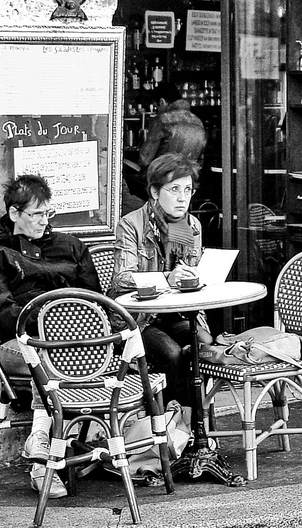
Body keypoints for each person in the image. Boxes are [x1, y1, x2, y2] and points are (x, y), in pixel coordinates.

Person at [0, 174, 101, 498]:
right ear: (15, 213)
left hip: (77, 341)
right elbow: (1, 313)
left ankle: (42, 453)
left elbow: (95, 299)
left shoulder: (71, 247)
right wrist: (49, 328)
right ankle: (45, 447)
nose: (44, 222)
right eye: (36, 215)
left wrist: (74, 328)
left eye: (48, 214)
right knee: (44, 350)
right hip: (17, 345)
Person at [114, 153, 210, 419]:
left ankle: (194, 427)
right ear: (155, 192)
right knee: (171, 353)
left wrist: (199, 276)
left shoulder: (190, 225)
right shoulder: (131, 224)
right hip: (140, 319)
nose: (183, 198)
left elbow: (194, 275)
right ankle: (171, 424)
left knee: (204, 345)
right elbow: (122, 278)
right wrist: (166, 279)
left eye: (188, 190)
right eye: (175, 189)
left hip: (178, 312)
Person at [137, 82, 207, 169]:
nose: (157, 111)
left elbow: (144, 160)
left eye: (156, 107)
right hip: (188, 177)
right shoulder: (198, 122)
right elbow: (200, 160)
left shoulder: (163, 120)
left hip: (164, 178)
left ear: (162, 102)